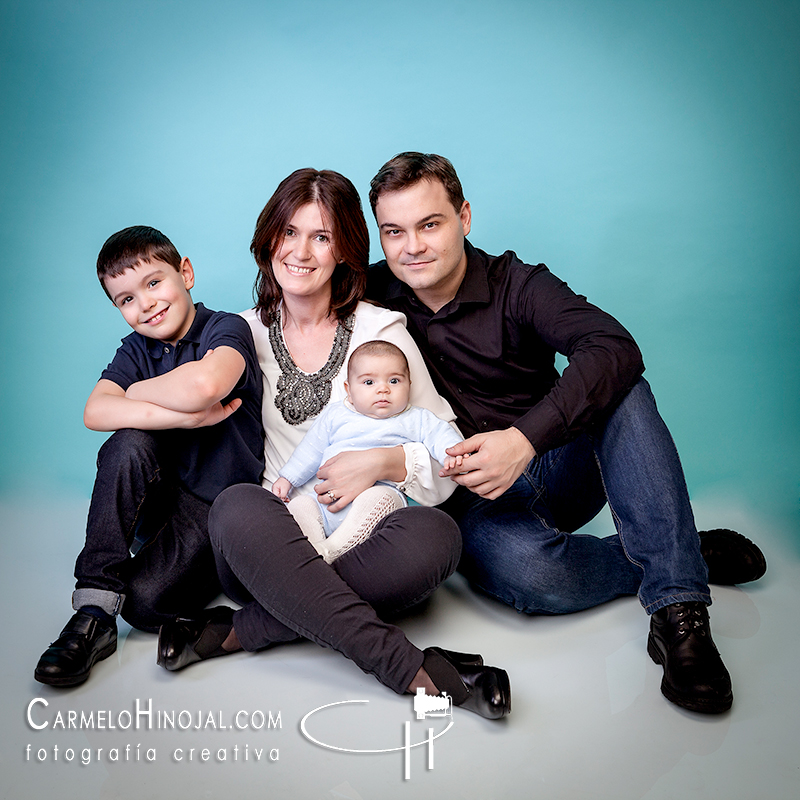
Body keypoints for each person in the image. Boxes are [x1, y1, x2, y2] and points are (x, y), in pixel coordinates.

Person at [365, 152, 767, 715]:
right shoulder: (370, 297)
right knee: (535, 577)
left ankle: (678, 608)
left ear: (464, 216)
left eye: (430, 224)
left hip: (560, 464)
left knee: (620, 381)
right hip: (476, 503)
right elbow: (291, 302)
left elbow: (615, 347)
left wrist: (523, 440)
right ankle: (677, 552)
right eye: (394, 232)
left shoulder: (519, 283)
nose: (413, 247)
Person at [157, 169, 511, 720]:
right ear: (268, 240)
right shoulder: (237, 334)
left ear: (345, 251)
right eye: (289, 233)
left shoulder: (382, 332)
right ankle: (412, 669)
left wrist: (387, 461)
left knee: (439, 537)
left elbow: (449, 462)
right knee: (236, 506)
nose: (300, 252)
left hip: (364, 536)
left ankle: (240, 631)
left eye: (321, 237)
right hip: (270, 538)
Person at [34, 226, 265, 687]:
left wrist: (135, 393)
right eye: (126, 300)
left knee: (143, 606)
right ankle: (94, 613)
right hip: (157, 499)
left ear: (186, 273)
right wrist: (182, 417)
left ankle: (198, 570)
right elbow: (95, 410)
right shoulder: (136, 349)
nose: (145, 304)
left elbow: (205, 385)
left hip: (211, 505)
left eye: (154, 282)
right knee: (126, 442)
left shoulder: (225, 328)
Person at [273, 339, 465, 563]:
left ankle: (330, 552)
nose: (383, 389)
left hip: (376, 507)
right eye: (368, 382)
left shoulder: (416, 418)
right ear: (349, 390)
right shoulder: (336, 415)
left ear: (409, 385)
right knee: (301, 505)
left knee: (381, 497)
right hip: (326, 504)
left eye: (394, 381)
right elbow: (310, 449)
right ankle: (313, 549)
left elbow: (440, 435)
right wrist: (288, 478)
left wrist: (452, 455)